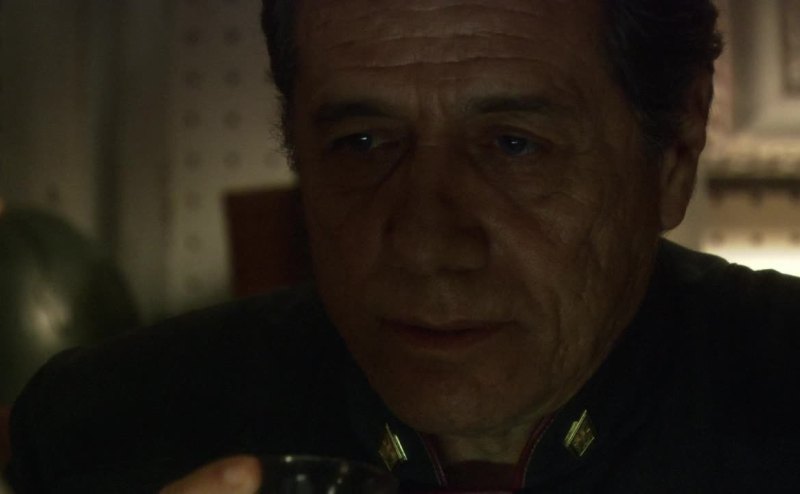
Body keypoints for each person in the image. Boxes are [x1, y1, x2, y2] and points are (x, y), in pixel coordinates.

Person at [5, 0, 800, 492]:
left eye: (514, 146)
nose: (425, 244)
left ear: (674, 152)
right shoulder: (102, 434)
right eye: (361, 142)